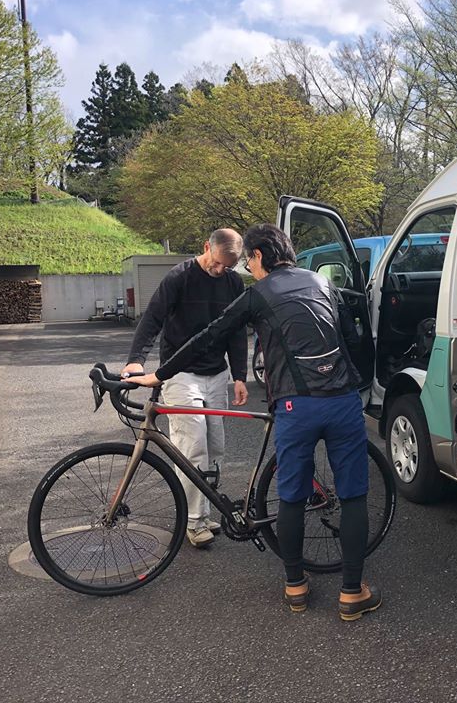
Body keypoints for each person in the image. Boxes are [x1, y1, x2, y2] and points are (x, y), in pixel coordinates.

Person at [133, 225, 382, 621]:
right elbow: (355, 338)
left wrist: (159, 374)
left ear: (261, 257)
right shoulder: (322, 282)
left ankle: (295, 586)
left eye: (249, 261)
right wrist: (360, 384)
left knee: (291, 497)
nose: (249, 268)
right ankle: (352, 593)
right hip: (342, 402)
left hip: (295, 409)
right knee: (352, 497)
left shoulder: (256, 294)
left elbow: (209, 337)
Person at [122, 229, 249, 548]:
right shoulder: (179, 277)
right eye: (218, 263)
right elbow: (152, 319)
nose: (222, 271)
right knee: (193, 445)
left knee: (215, 446)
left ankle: (207, 512)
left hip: (217, 373)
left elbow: (235, 331)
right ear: (206, 247)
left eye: (229, 267)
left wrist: (240, 375)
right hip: (180, 373)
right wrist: (136, 360)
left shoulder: (233, 282)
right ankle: (194, 522)